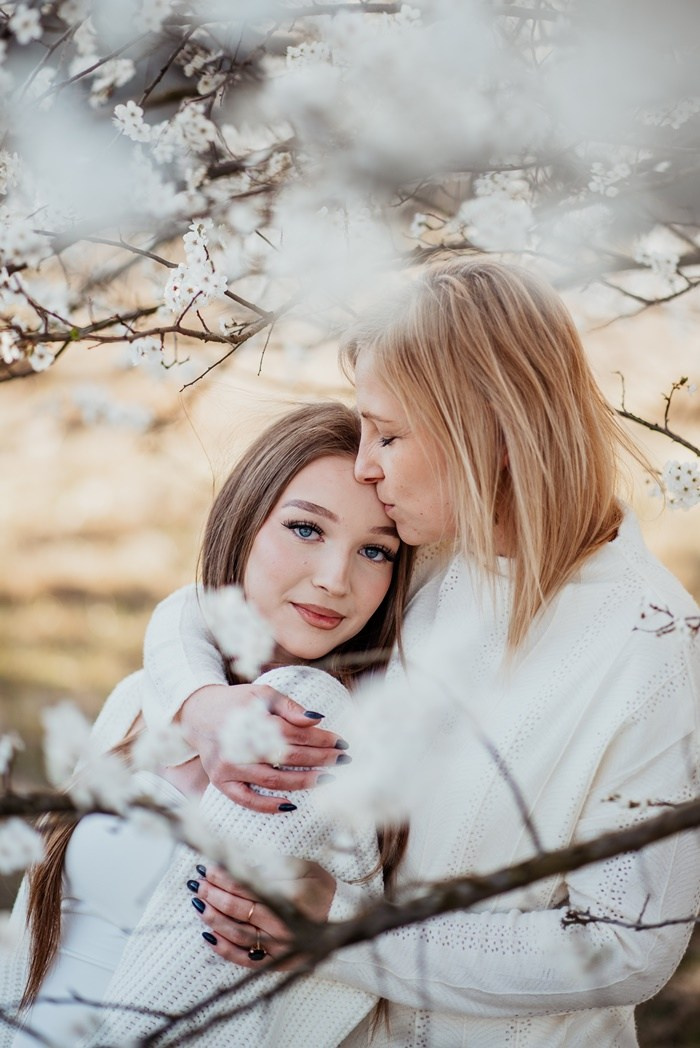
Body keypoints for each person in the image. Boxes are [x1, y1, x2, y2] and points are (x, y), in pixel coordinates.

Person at [133, 259, 700, 1047]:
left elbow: (628, 943)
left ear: (494, 431)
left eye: (390, 434)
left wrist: (346, 934)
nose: (367, 465)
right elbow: (199, 609)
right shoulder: (432, 553)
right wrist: (199, 703)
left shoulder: (656, 646)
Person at [2, 401, 414, 1048]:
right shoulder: (144, 697)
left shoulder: (320, 737)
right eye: (307, 529)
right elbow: (33, 941)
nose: (337, 580)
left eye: (374, 551)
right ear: (243, 523)